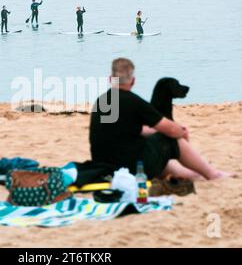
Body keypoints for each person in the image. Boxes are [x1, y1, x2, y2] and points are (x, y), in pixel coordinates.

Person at [89, 58, 231, 180]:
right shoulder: (134, 102)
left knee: (155, 152)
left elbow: (127, 130)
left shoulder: (101, 101)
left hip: (104, 166)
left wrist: (155, 132)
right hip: (131, 168)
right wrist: (182, 132)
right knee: (172, 140)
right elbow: (171, 130)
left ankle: (193, 174)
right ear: (133, 81)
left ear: (110, 79)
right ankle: (213, 174)